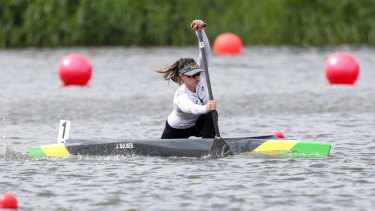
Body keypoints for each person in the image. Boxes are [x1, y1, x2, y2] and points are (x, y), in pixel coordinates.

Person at [155, 20, 217, 139]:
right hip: (176, 130)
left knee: (212, 114)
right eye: (192, 76)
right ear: (182, 76)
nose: (197, 78)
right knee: (209, 110)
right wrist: (206, 107)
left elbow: (205, 53)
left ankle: (209, 145)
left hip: (197, 125)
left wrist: (200, 31)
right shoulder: (181, 95)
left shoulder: (202, 78)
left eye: (197, 74)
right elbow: (190, 108)